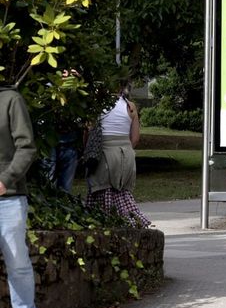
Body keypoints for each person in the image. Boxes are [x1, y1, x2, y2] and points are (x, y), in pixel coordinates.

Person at [0, 85, 39, 308]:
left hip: (8, 197)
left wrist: (5, 180)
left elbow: (27, 147)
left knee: (17, 262)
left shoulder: (11, 99)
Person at [85, 80, 150, 228]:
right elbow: (135, 138)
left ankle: (105, 227)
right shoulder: (130, 107)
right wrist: (124, 148)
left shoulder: (97, 107)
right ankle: (131, 223)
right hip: (126, 156)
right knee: (122, 195)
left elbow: (89, 133)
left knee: (102, 194)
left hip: (104, 155)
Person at [41, 69, 82, 193]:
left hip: (70, 141)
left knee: (65, 188)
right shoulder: (49, 89)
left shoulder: (76, 90)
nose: (67, 74)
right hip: (50, 141)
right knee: (47, 182)